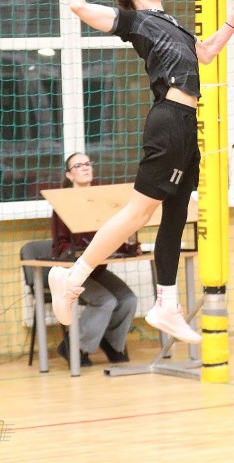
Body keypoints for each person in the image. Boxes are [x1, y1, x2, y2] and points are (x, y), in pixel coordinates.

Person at [50, 0, 234, 342]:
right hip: (167, 121)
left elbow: (205, 53)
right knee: (137, 213)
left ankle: (166, 305)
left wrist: (233, 20)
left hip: (186, 124)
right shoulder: (135, 21)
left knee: (175, 215)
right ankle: (72, 278)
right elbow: (77, 6)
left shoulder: (169, 22)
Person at [51, 153, 138, 365]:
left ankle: (112, 343)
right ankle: (74, 346)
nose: (85, 167)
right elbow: (61, 246)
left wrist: (131, 241)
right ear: (69, 175)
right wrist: (86, 253)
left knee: (128, 299)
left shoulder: (103, 200)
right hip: (72, 271)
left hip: (97, 270)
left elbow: (117, 239)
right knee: (105, 300)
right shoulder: (62, 203)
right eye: (78, 165)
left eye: (88, 164)